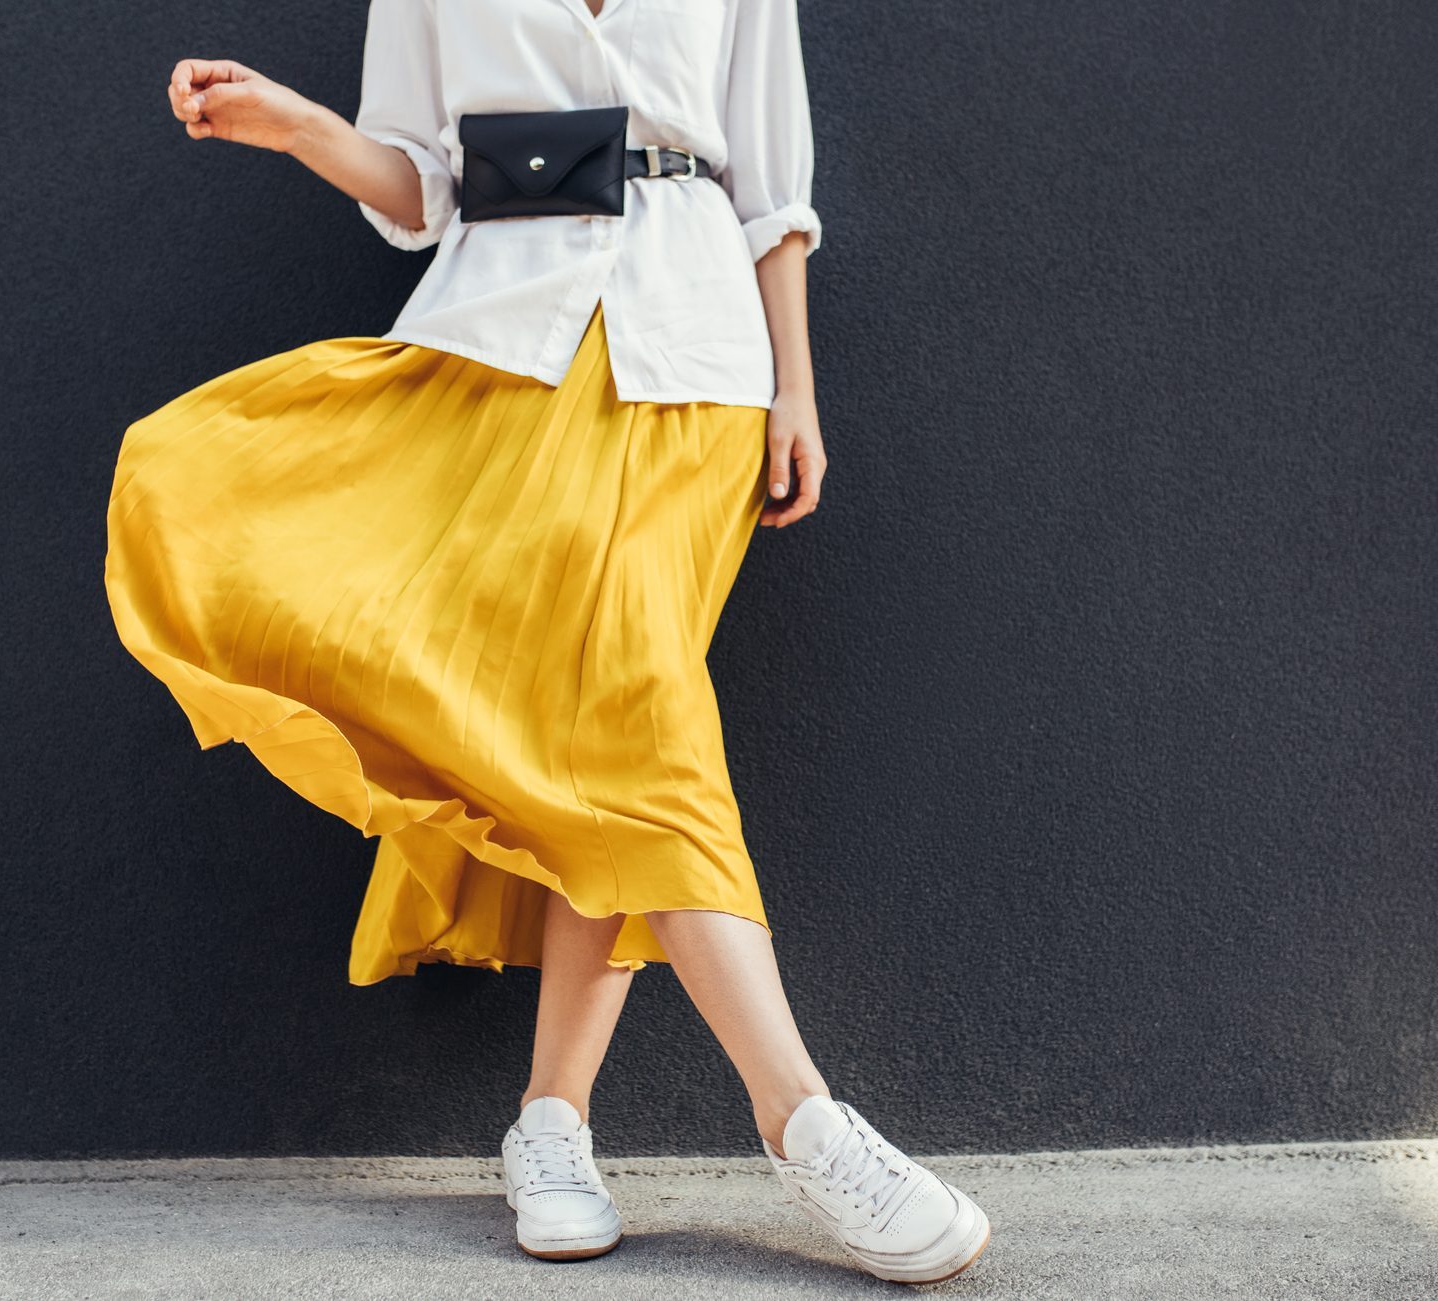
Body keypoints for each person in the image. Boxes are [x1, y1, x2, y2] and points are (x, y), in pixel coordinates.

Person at [103, 0, 991, 1285]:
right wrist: (298, 127)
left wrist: (795, 386)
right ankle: (724, 1118)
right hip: (496, 353)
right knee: (604, 733)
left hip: (695, 365)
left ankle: (635, 1123)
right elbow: (420, 187)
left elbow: (768, 182)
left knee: (621, 715)